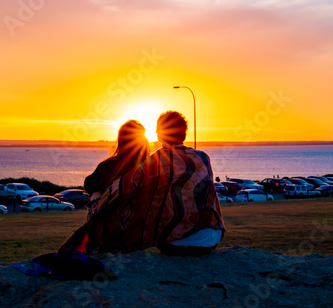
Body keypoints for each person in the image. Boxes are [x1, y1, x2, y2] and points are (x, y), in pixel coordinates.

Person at [60, 110, 225, 256]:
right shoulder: (203, 157)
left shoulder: (156, 161)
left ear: (159, 135)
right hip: (212, 238)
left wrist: (96, 201)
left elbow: (118, 192)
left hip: (178, 245)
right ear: (185, 134)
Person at [83, 119, 150, 214]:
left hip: (113, 220)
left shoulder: (108, 166)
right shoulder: (152, 166)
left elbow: (89, 184)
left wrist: (99, 193)